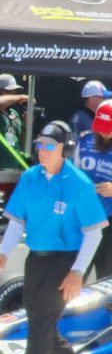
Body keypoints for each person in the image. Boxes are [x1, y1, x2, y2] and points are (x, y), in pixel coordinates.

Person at [0, 120, 105, 354]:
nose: (42, 151)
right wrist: (3, 252)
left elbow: (94, 232)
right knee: (43, 330)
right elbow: (17, 221)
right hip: (36, 260)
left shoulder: (79, 184)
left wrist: (77, 271)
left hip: (63, 262)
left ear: (63, 150)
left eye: (49, 146)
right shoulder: (30, 178)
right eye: (39, 145)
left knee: (40, 328)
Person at [75, 100, 112, 278]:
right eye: (101, 127)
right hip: (84, 218)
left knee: (107, 279)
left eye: (109, 128)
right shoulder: (83, 142)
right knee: (75, 275)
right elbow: (70, 174)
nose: (104, 133)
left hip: (109, 222)